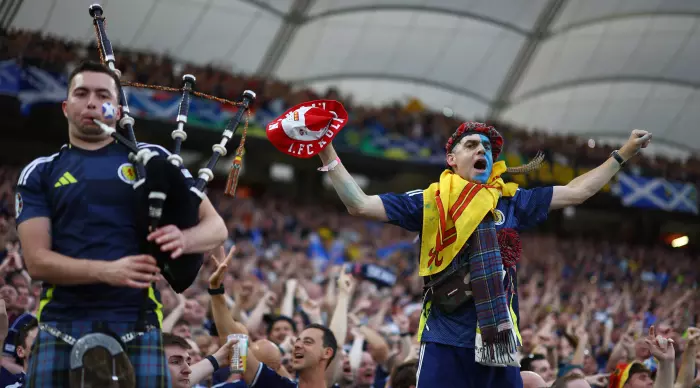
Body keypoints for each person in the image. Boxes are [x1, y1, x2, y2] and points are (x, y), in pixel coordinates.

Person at [313, 118, 652, 388]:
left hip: (498, 341)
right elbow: (359, 204)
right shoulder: (430, 200)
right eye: (472, 145)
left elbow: (578, 192)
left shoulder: (512, 200)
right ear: (452, 159)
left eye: (487, 147)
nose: (482, 150)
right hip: (445, 338)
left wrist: (623, 153)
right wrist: (326, 150)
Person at [15, 60, 228, 387]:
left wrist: (183, 239)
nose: (91, 102)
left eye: (102, 95)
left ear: (116, 108)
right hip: (61, 322)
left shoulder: (152, 160)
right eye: (81, 93)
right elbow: (37, 262)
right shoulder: (40, 172)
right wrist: (106, 270)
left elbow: (215, 228)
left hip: (138, 323)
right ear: (65, 106)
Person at [241, 323, 338, 388]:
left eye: (308, 342)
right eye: (297, 341)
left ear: (327, 353)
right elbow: (236, 338)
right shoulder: (279, 385)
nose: (297, 345)